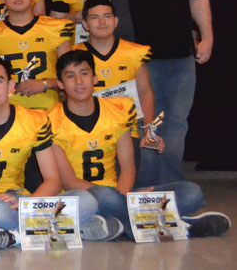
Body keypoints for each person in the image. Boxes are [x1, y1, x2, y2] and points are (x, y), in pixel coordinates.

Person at [84, 0, 213, 187]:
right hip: (137, 60)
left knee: (175, 122)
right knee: (142, 122)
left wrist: (207, 37)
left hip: (181, 56)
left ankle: (169, 186)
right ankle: (141, 186)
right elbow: (93, 2)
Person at [49, 50, 229, 238]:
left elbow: (128, 169)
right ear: (60, 84)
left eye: (84, 73)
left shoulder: (117, 111)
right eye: (70, 76)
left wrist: (124, 196)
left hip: (119, 194)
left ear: (94, 79)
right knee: (102, 196)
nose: (79, 81)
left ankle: (118, 223)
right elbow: (69, 182)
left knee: (192, 192)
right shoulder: (51, 120)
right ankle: (177, 224)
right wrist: (122, 198)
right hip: (83, 197)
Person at [0, 55, 120, 246]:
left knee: (86, 200)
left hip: (21, 199)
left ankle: (14, 235)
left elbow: (53, 180)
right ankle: (47, 229)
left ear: (11, 86)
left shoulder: (34, 120)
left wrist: (27, 203)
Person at [73, 0, 156, 137]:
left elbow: (145, 92)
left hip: (127, 131)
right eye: (94, 17)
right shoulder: (73, 54)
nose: (102, 22)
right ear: (85, 24)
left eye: (107, 16)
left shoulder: (135, 52)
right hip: (88, 133)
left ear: (116, 21)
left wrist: (148, 129)